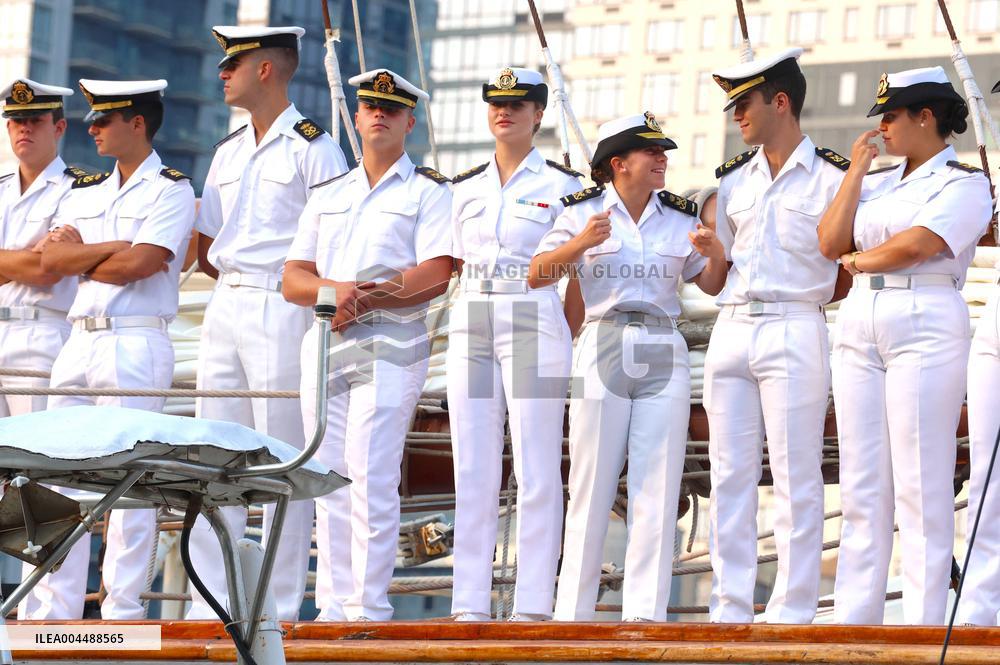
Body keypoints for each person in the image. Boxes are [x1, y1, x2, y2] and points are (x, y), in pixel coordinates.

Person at [529, 113, 728, 621]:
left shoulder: (681, 216)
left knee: (657, 486)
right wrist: (580, 244)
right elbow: (536, 274)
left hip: (664, 340)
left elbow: (712, 285)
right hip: (604, 340)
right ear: (618, 164)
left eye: (663, 152)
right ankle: (572, 614)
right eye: (651, 152)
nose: (663, 159)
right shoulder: (582, 212)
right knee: (591, 484)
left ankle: (645, 615)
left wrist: (715, 253)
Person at [819, 67, 992, 625]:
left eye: (892, 115)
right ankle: (854, 617)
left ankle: (924, 621)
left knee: (921, 477)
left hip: (925, 314)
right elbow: (829, 240)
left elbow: (919, 245)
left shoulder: (963, 182)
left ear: (926, 117)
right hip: (860, 320)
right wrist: (856, 173)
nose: (883, 126)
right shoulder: (878, 180)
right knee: (863, 480)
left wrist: (860, 260)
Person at [188, 25, 348, 620]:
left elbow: (332, 243)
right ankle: (212, 603)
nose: (222, 73)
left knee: (281, 457)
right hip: (225, 301)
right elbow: (207, 246)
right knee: (213, 455)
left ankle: (275, 607)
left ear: (266, 70)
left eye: (235, 63)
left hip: (283, 307)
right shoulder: (227, 150)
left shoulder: (315, 148)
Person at [283, 68, 452, 621]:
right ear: (356, 118)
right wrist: (340, 293)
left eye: (390, 108)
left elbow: (435, 273)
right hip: (326, 341)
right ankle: (333, 607)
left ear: (409, 121)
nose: (378, 114)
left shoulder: (430, 191)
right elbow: (294, 278)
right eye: (369, 106)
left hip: (391, 342)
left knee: (371, 473)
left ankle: (369, 607)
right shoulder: (329, 193)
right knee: (325, 476)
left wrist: (367, 297)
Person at [23, 79, 196, 620]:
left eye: (104, 120)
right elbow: (50, 264)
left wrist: (84, 255)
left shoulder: (172, 189)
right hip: (77, 341)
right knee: (52, 480)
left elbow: (143, 265)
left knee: (129, 482)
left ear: (137, 124)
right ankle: (54, 614)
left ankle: (121, 614)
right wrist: (113, 248)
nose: (92, 128)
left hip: (136, 340)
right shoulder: (85, 191)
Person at [705, 48, 849, 624]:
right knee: (729, 474)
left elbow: (843, 270)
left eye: (744, 102)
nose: (736, 114)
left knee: (795, 475)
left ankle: (792, 607)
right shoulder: (734, 180)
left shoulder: (836, 177)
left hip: (793, 323)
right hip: (732, 326)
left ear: (780, 101)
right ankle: (730, 606)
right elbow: (720, 273)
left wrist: (800, 298)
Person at [446, 67, 581, 622]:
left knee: (537, 464)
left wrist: (560, 335)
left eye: (518, 104)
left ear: (538, 115)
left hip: (532, 315)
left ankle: (531, 605)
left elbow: (578, 274)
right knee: (473, 466)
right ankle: (468, 605)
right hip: (473, 314)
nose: (505, 112)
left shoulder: (564, 185)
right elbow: (449, 263)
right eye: (497, 104)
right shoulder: (464, 186)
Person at [0, 79, 79, 419]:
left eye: (36, 121)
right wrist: (26, 256)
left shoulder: (79, 190)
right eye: (18, 121)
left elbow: (45, 270)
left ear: (58, 127)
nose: (25, 129)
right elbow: (32, 263)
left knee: (31, 453)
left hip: (41, 333)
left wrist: (31, 262)